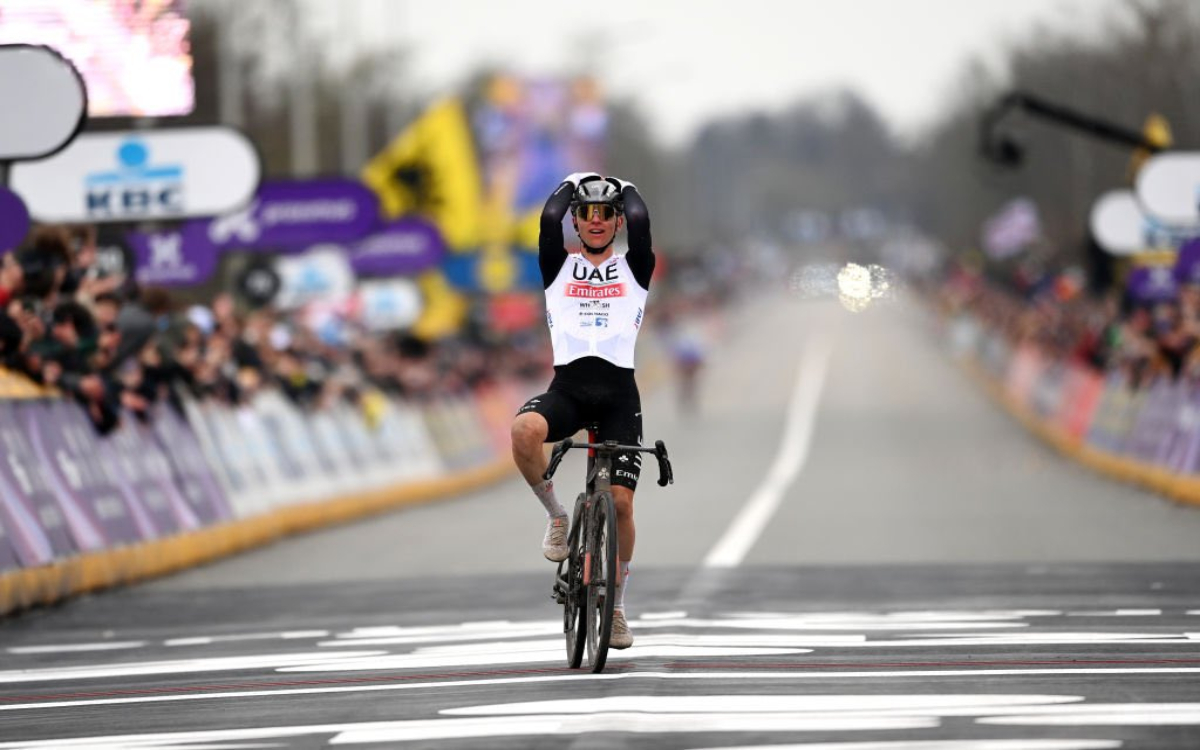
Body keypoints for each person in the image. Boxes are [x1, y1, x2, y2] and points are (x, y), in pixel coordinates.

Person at [511, 172, 655, 649]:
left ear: (616, 222)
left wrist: (623, 185)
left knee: (620, 502)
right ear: (576, 219)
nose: (596, 222)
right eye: (587, 213)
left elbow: (640, 216)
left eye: (606, 214)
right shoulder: (558, 266)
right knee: (525, 431)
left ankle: (615, 609)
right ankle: (556, 516)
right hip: (569, 389)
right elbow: (549, 216)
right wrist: (575, 182)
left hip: (619, 395)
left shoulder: (635, 268)